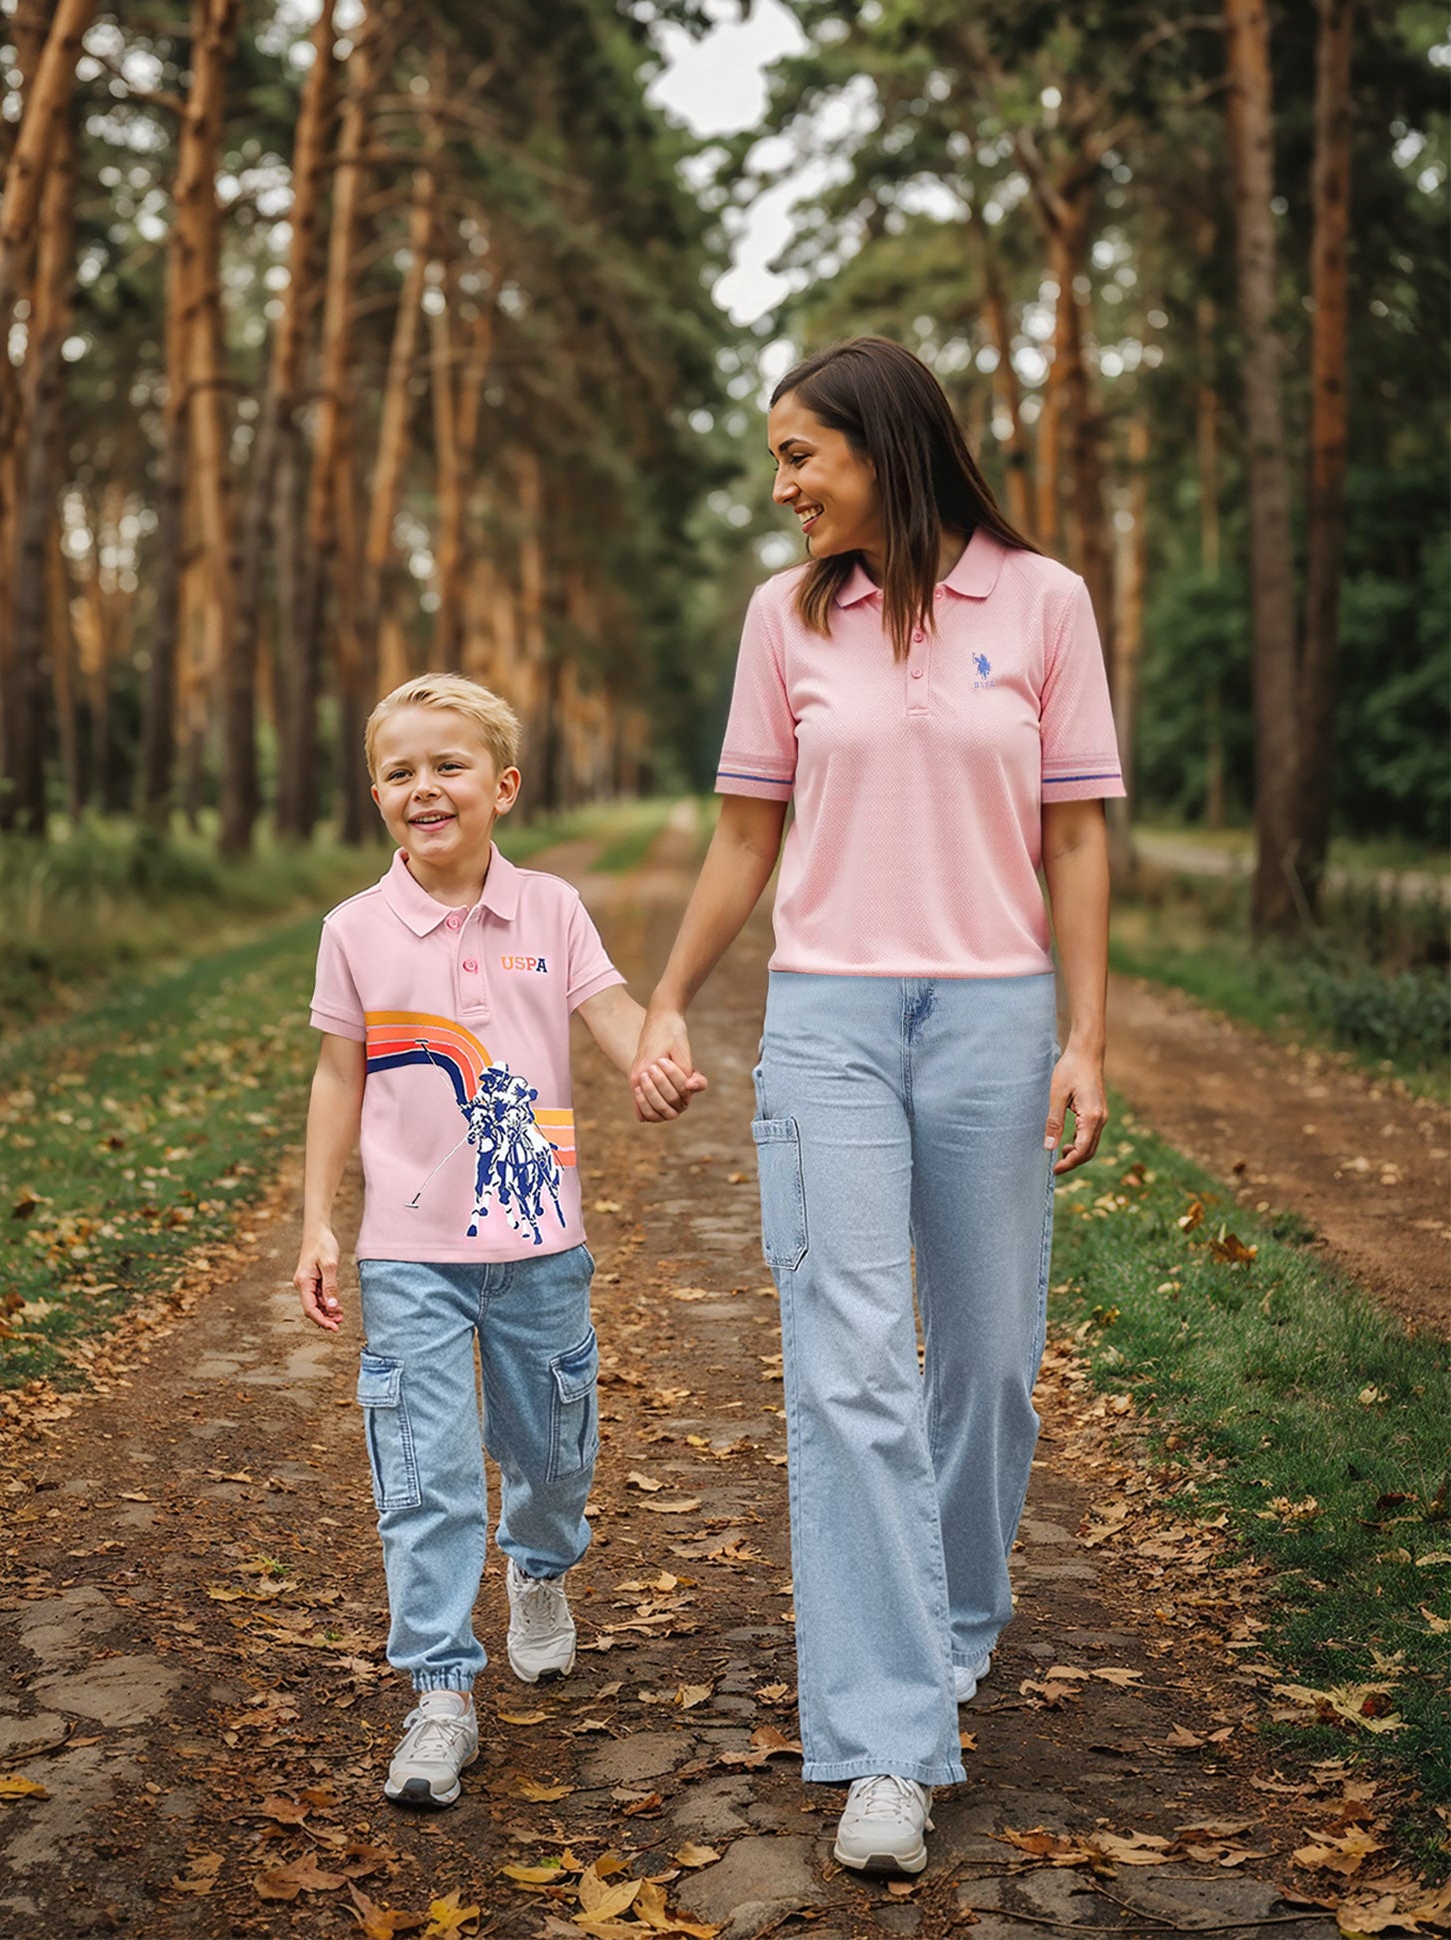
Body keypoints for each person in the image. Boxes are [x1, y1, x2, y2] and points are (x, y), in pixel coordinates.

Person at [631, 337, 1124, 1876]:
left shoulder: (1042, 602)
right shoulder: (785, 621)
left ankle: (956, 1617)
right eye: (777, 458)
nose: (781, 485)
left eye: (801, 456)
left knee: (988, 1363)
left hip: (990, 1017)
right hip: (829, 1016)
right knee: (848, 1366)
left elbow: (1083, 841)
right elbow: (740, 841)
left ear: (884, 450)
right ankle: (891, 1740)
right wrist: (665, 994)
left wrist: (1086, 1034)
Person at [293, 673, 700, 1809]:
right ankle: (439, 1689)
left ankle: (540, 1568)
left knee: (555, 1453)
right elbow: (338, 1074)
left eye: (450, 765)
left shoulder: (553, 909)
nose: (425, 787)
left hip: (538, 1247)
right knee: (424, 1476)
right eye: (400, 771)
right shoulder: (354, 930)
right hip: (409, 1251)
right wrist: (318, 1218)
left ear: (503, 786)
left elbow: (608, 1005)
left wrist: (647, 1056)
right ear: (377, 793)